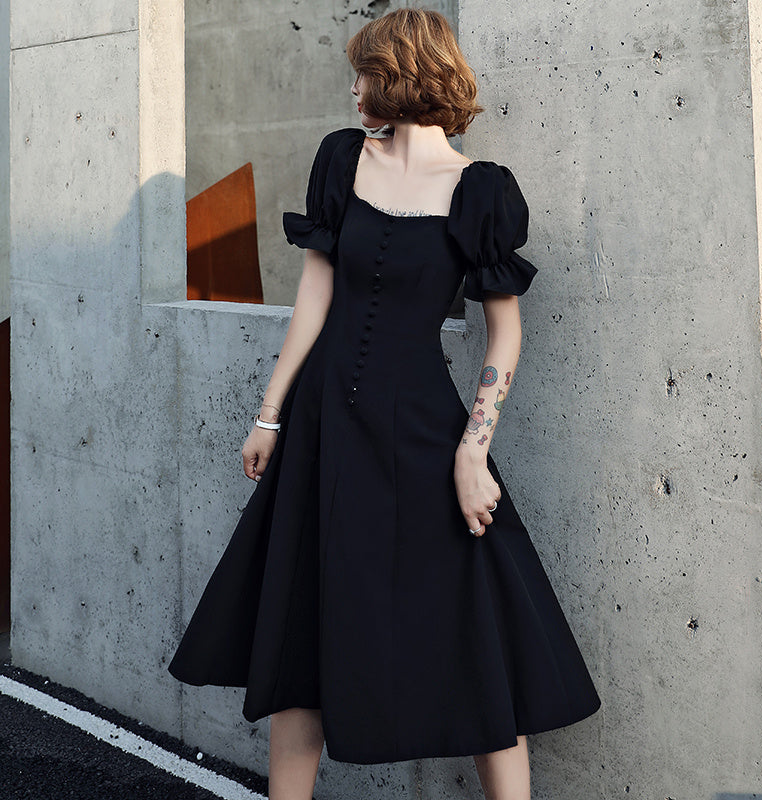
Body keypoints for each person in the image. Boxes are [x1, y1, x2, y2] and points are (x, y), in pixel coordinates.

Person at [168, 8, 601, 799]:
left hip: (423, 433)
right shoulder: (341, 162)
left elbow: (503, 336)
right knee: (301, 628)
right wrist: (270, 414)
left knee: (472, 626)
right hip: (325, 427)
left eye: (364, 73)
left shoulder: (482, 193)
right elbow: (315, 301)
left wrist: (473, 452)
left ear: (399, 76)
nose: (355, 89)